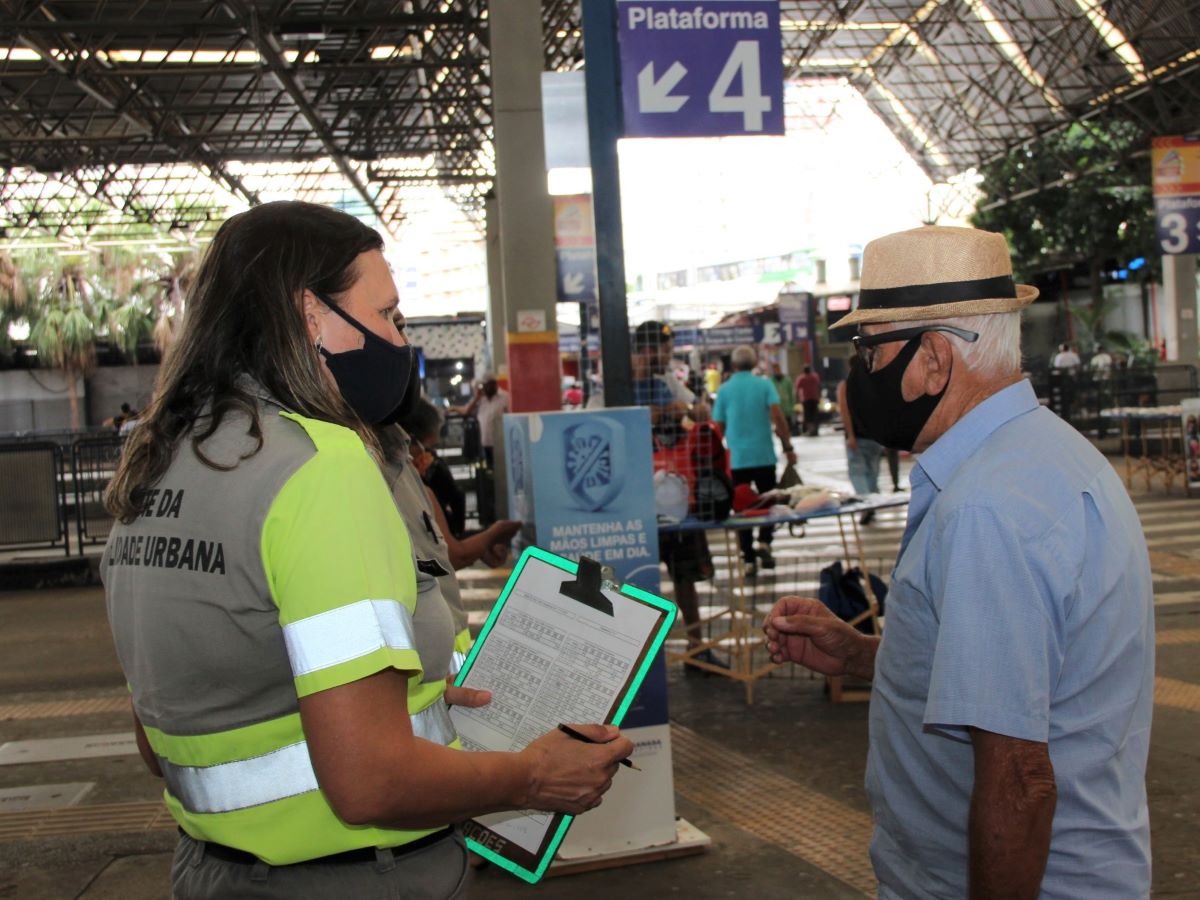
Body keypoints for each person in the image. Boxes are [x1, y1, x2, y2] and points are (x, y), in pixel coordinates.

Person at [101, 201, 631, 899]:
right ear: (311, 316)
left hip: (210, 872)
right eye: (386, 315)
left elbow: (166, 734)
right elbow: (369, 780)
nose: (397, 340)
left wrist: (413, 700)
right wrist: (534, 775)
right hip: (352, 880)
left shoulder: (161, 462)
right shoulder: (322, 468)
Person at [765, 225, 1153, 900]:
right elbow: (1019, 671)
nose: (862, 375)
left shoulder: (988, 508)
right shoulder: (1046, 454)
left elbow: (1019, 779)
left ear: (934, 359)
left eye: (872, 352)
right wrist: (863, 655)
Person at [382, 397, 522, 676]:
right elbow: (452, 556)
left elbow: (436, 552)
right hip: (437, 658)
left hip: (443, 644)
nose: (429, 457)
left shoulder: (410, 483)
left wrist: (479, 547)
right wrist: (493, 534)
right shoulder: (397, 484)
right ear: (408, 440)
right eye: (429, 447)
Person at [632, 321, 722, 671]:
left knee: (686, 575)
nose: (669, 357)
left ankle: (697, 650)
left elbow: (696, 409)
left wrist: (690, 410)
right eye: (665, 350)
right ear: (649, 348)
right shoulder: (612, 384)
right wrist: (647, 415)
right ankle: (637, 663)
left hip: (674, 497)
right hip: (636, 502)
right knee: (635, 581)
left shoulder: (664, 381)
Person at [712, 345, 797, 575]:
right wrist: (788, 446)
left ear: (733, 365)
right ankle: (765, 543)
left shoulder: (725, 390)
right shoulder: (764, 384)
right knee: (768, 503)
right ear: (753, 363)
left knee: (741, 509)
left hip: (738, 459)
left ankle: (748, 557)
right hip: (764, 456)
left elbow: (718, 427)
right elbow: (778, 416)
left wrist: (716, 456)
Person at [837, 377, 883, 524]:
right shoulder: (875, 381)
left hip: (858, 436)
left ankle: (865, 504)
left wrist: (850, 435)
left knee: (857, 473)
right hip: (875, 437)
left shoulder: (846, 386)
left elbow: (845, 411)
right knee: (872, 472)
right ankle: (872, 502)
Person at [454, 373, 508, 468]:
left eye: (490, 385)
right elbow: (467, 411)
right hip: (485, 442)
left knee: (501, 468)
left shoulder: (505, 397)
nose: (487, 388)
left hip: (500, 442)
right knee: (489, 469)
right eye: (485, 386)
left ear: (495, 384)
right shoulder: (480, 399)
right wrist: (476, 398)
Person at [794, 365, 822, 436]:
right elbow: (819, 387)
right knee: (814, 415)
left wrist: (796, 399)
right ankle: (815, 430)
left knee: (807, 415)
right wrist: (819, 396)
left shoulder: (801, 378)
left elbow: (797, 389)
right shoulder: (815, 377)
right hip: (814, 398)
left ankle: (810, 430)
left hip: (806, 399)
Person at [770, 363, 797, 434]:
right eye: (774, 369)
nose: (776, 370)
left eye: (777, 369)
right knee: (779, 426)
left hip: (787, 407)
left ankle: (787, 439)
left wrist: (792, 405)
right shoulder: (770, 381)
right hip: (777, 407)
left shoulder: (787, 380)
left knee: (787, 426)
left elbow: (791, 393)